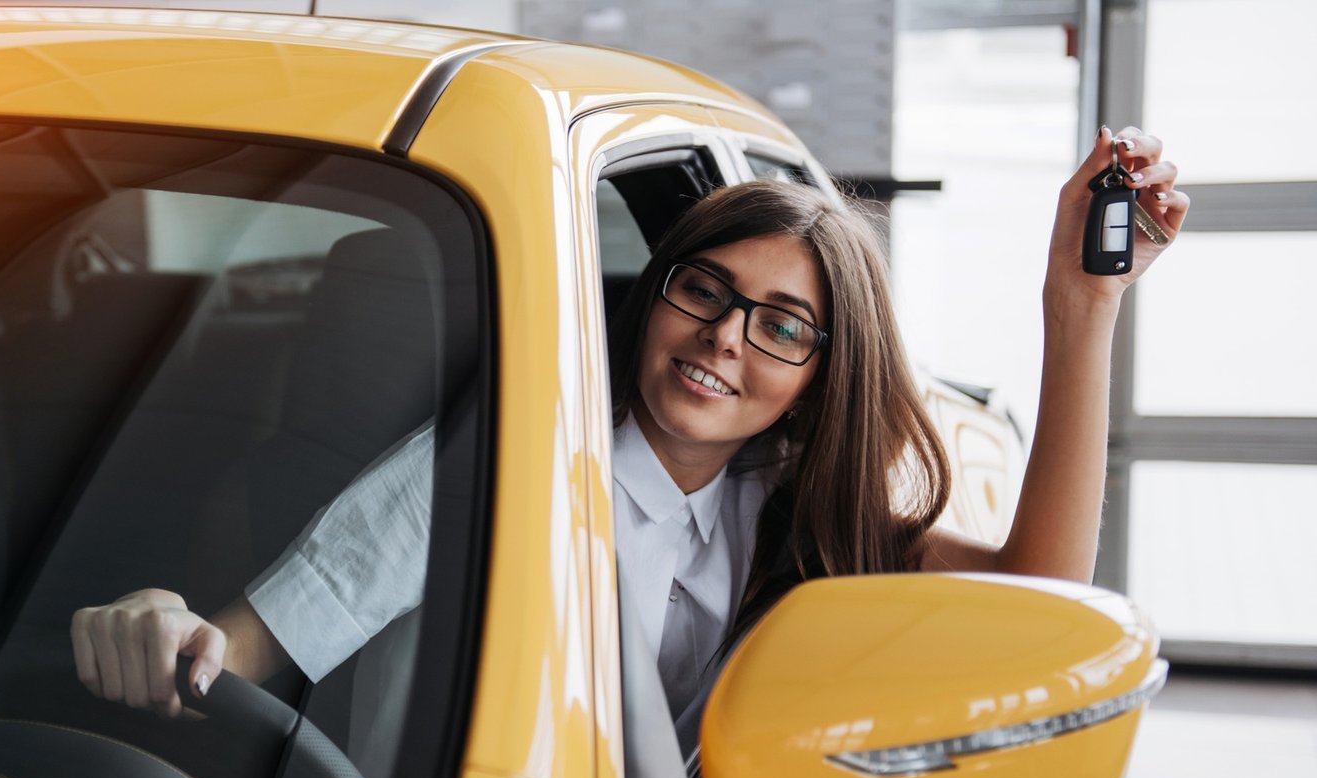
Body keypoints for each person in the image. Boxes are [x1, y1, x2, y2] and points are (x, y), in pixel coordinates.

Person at [72, 125, 1184, 725]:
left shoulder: (804, 511)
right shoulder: (496, 469)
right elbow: (238, 648)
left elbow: (1042, 597)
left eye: (782, 325)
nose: (724, 339)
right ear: (652, 293)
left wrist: (1079, 304)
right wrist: (162, 626)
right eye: (703, 290)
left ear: (821, 374)